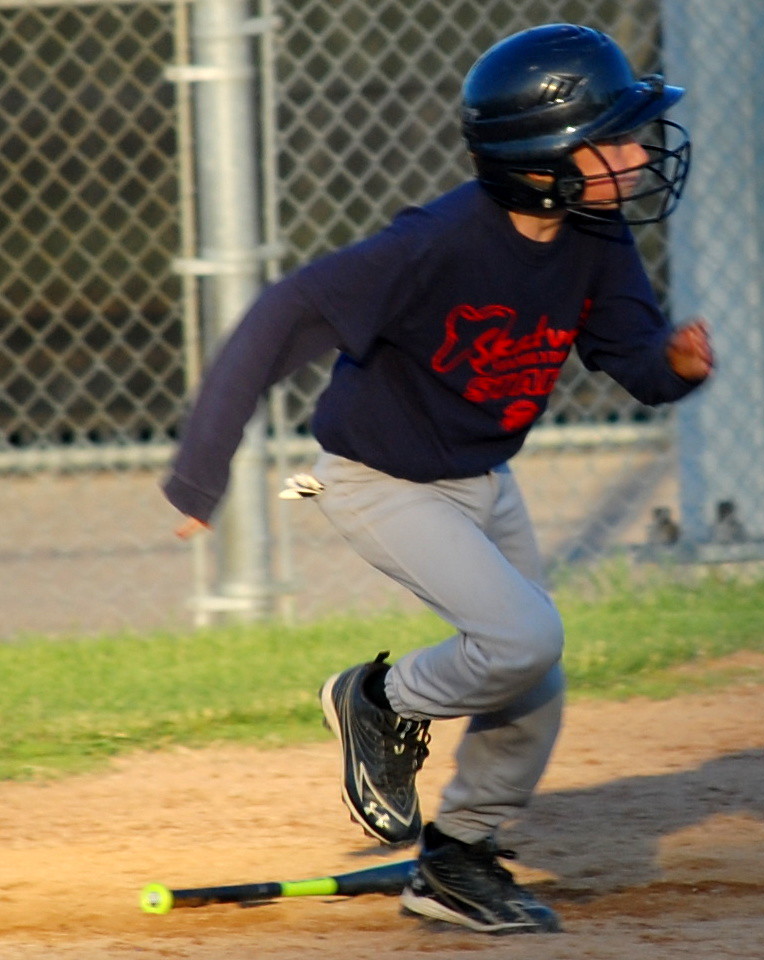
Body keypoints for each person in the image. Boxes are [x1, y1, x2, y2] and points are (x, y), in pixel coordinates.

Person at [163, 23, 713, 934]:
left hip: (483, 478)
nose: (637, 151)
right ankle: (373, 699)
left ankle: (459, 861)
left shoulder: (594, 234)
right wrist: (199, 472)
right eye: (613, 137)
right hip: (378, 477)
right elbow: (281, 315)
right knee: (523, 636)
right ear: (541, 160)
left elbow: (633, 360)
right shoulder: (438, 243)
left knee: (533, 683)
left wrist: (677, 364)